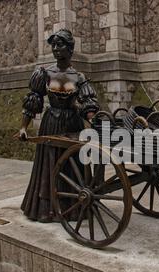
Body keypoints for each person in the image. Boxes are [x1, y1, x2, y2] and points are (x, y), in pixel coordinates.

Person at [18, 29, 99, 223]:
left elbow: (88, 105)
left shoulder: (78, 76)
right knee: (50, 164)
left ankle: (73, 207)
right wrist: (23, 127)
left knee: (73, 166)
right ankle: (47, 209)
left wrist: (94, 119)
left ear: (70, 48)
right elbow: (34, 100)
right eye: (53, 44)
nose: (56, 48)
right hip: (51, 123)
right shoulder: (45, 73)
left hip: (72, 124)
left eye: (60, 44)